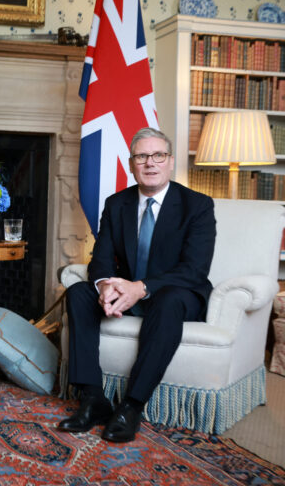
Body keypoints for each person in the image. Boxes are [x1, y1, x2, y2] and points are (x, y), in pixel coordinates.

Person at [58, 127, 216, 442]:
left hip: (176, 294)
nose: (150, 163)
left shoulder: (197, 205)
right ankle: (92, 398)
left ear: (170, 162)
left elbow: (194, 269)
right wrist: (105, 286)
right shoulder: (117, 204)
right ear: (131, 164)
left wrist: (139, 288)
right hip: (126, 291)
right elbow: (101, 259)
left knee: (168, 299)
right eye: (142, 156)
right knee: (78, 293)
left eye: (158, 155)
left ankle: (132, 405)